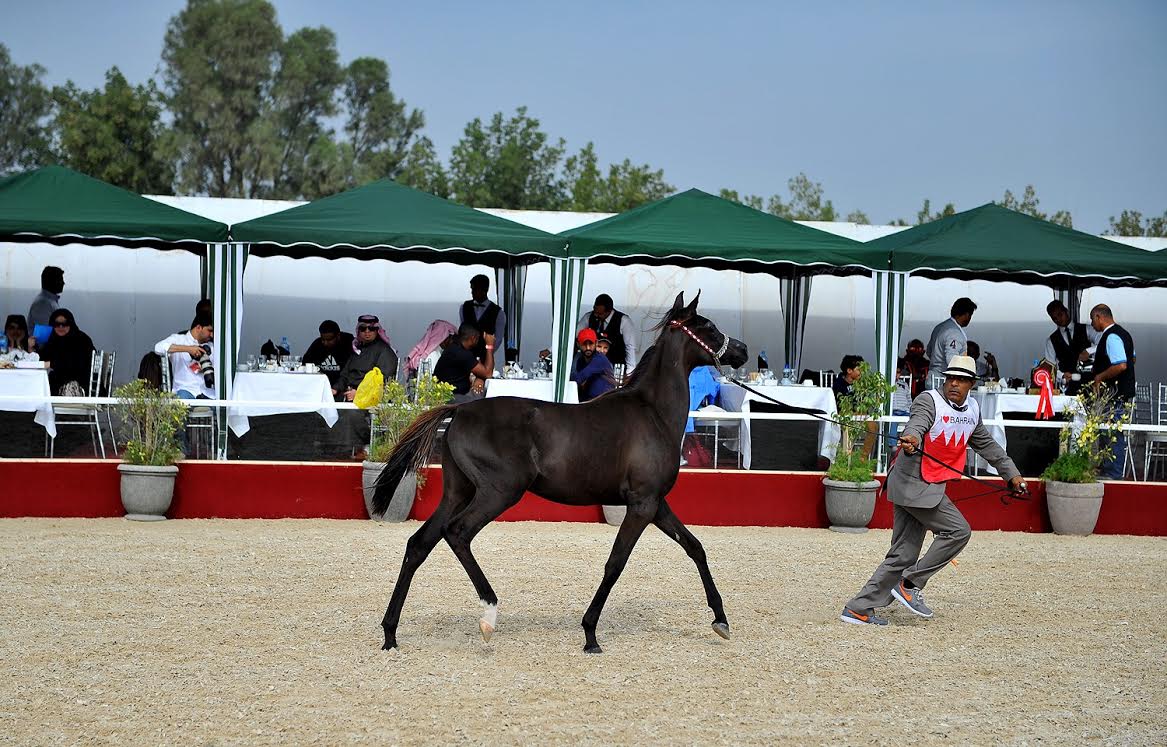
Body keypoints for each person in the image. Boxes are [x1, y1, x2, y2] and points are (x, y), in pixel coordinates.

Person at [840, 355, 1025, 626]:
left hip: (921, 485)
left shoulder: (972, 410)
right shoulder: (929, 400)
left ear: (971, 384)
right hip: (915, 483)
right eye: (951, 378)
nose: (954, 384)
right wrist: (912, 438)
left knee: (903, 554)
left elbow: (988, 446)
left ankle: (859, 608)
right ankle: (911, 583)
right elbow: (917, 423)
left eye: (961, 380)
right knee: (958, 531)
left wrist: (1012, 475)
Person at [1089, 304, 1136, 479]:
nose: (1092, 325)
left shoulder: (1111, 336)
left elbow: (1121, 364)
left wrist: (1100, 377)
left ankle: (1113, 474)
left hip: (1115, 395)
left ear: (1098, 317)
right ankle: (1109, 470)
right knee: (1111, 432)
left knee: (1113, 434)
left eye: (1092, 320)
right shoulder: (1124, 334)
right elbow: (1133, 358)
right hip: (1122, 391)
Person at [333, 315, 398, 401]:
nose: (367, 331)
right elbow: (345, 374)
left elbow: (383, 381)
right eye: (363, 328)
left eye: (371, 328)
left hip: (368, 401)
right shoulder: (357, 349)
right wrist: (335, 388)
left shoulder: (384, 351)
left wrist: (359, 393)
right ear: (358, 331)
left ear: (377, 330)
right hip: (349, 395)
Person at [1042, 299, 1099, 395]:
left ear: (1066, 311)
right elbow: (1050, 366)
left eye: (1060, 315)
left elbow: (1104, 342)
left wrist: (1089, 351)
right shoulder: (1051, 340)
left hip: (1089, 381)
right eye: (1054, 318)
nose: (1059, 320)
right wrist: (1062, 375)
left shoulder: (1087, 329)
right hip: (1067, 386)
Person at [154, 312, 216, 399]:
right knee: (180, 402)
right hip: (184, 391)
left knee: (220, 407)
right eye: (209, 330)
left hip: (207, 393)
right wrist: (188, 349)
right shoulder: (179, 339)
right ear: (198, 327)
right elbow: (158, 348)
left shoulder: (212, 346)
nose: (212, 335)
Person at [39, 309, 96, 396]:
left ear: (71, 324)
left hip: (82, 385)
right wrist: (31, 347)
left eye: (65, 324)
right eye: (57, 324)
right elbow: (41, 358)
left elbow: (77, 364)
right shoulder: (53, 340)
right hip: (58, 383)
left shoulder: (81, 340)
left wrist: (52, 364)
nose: (61, 327)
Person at [433, 322, 495, 403]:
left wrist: (479, 378)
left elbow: (481, 372)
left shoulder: (456, 348)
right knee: (487, 400)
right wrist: (489, 346)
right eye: (478, 337)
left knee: (484, 394)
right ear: (473, 338)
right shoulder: (460, 353)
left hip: (455, 394)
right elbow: (488, 373)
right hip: (450, 398)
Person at [578, 293, 638, 369]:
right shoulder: (589, 317)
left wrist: (630, 372)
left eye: (600, 314)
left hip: (616, 366)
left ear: (609, 311)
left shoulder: (624, 321)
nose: (596, 315)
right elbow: (576, 335)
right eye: (595, 311)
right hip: (593, 364)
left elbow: (630, 347)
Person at [925, 297, 976, 385]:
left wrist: (937, 362)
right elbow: (952, 360)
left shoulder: (940, 327)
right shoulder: (954, 333)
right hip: (944, 382)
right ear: (967, 315)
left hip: (933, 377)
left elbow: (929, 351)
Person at [459, 274, 506, 366]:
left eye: (475, 289)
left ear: (485, 290)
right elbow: (462, 331)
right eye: (472, 289)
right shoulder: (464, 307)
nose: (472, 292)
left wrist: (487, 353)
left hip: (485, 358)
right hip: (466, 357)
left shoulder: (498, 313)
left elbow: (499, 338)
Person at [302, 320, 354, 389]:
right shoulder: (317, 344)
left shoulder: (350, 344)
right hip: (319, 386)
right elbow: (305, 364)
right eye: (323, 339)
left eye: (329, 340)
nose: (325, 343)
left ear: (338, 336)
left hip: (342, 387)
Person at [570, 328, 615, 402]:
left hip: (604, 403)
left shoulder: (600, 359)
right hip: (589, 402)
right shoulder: (580, 360)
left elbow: (578, 378)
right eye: (584, 344)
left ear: (596, 343)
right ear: (578, 344)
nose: (588, 348)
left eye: (590, 344)